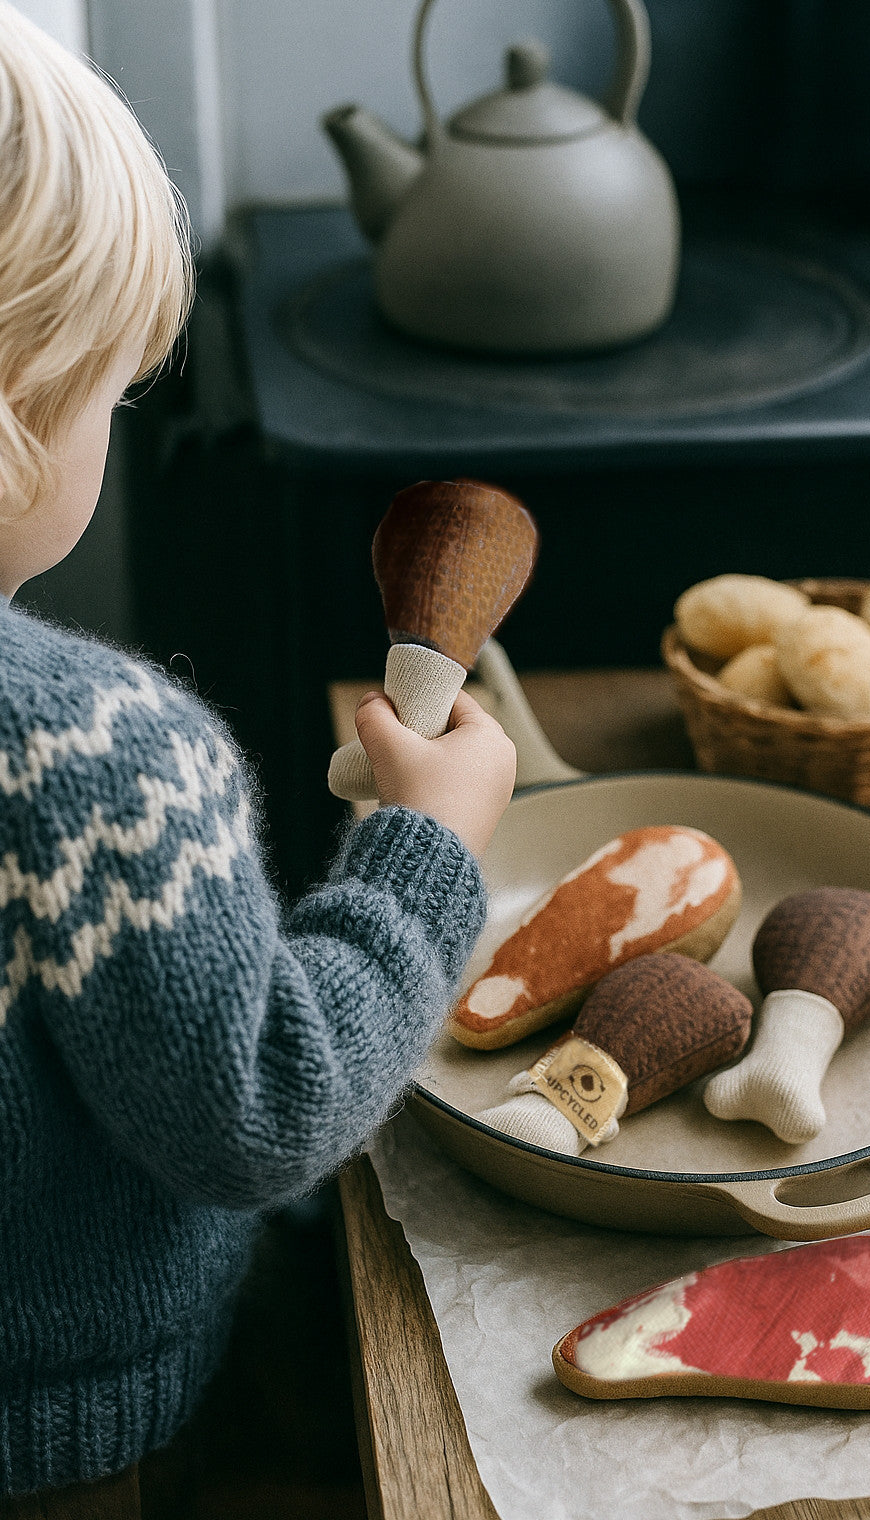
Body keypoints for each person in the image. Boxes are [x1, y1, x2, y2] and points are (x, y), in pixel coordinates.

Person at [0, 6, 516, 1513]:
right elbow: (264, 1102)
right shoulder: (85, 765)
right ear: (21, 400)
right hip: (64, 1445)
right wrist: (428, 851)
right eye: (111, 393)